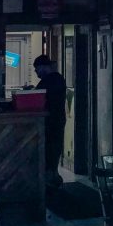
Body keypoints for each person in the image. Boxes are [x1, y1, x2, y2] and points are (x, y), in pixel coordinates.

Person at [34, 54, 66, 186]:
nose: (36, 72)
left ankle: (49, 178)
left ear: (42, 67)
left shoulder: (46, 81)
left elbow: (38, 98)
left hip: (49, 121)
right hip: (58, 119)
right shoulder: (59, 79)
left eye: (36, 69)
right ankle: (53, 175)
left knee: (48, 149)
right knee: (55, 148)